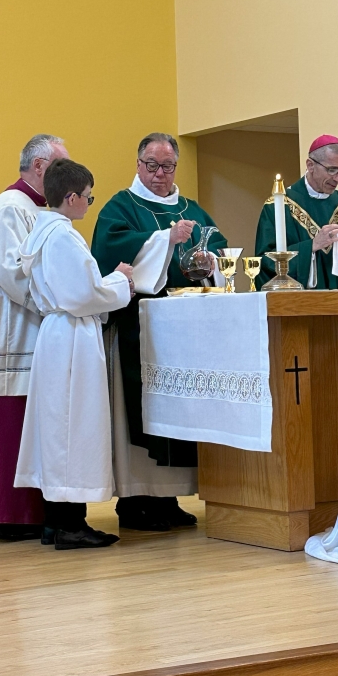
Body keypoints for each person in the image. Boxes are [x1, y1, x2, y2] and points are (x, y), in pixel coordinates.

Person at [92, 133, 227, 532]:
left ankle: (167, 500)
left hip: (184, 335)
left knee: (176, 414)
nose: (160, 174)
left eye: (168, 166)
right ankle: (134, 503)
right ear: (138, 165)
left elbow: (220, 253)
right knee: (139, 413)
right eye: (152, 165)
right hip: (137, 327)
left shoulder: (191, 209)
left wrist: (208, 259)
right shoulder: (121, 206)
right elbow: (108, 252)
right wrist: (164, 239)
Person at [14, 160, 134, 549]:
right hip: (71, 337)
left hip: (57, 336)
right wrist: (120, 280)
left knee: (57, 428)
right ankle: (70, 525)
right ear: (71, 197)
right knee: (74, 426)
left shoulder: (42, 232)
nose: (88, 204)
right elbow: (82, 295)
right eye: (87, 197)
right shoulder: (63, 237)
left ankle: (56, 521)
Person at [0, 134, 68, 540]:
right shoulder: (9, 209)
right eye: (59, 166)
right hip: (12, 338)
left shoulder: (33, 208)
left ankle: (23, 513)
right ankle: (8, 516)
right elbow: (13, 276)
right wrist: (65, 297)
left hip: (30, 334)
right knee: (11, 430)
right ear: (39, 167)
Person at [255, 135, 338, 289]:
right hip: (299, 305)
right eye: (332, 170)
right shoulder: (279, 206)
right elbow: (264, 263)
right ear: (310, 165)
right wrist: (312, 246)